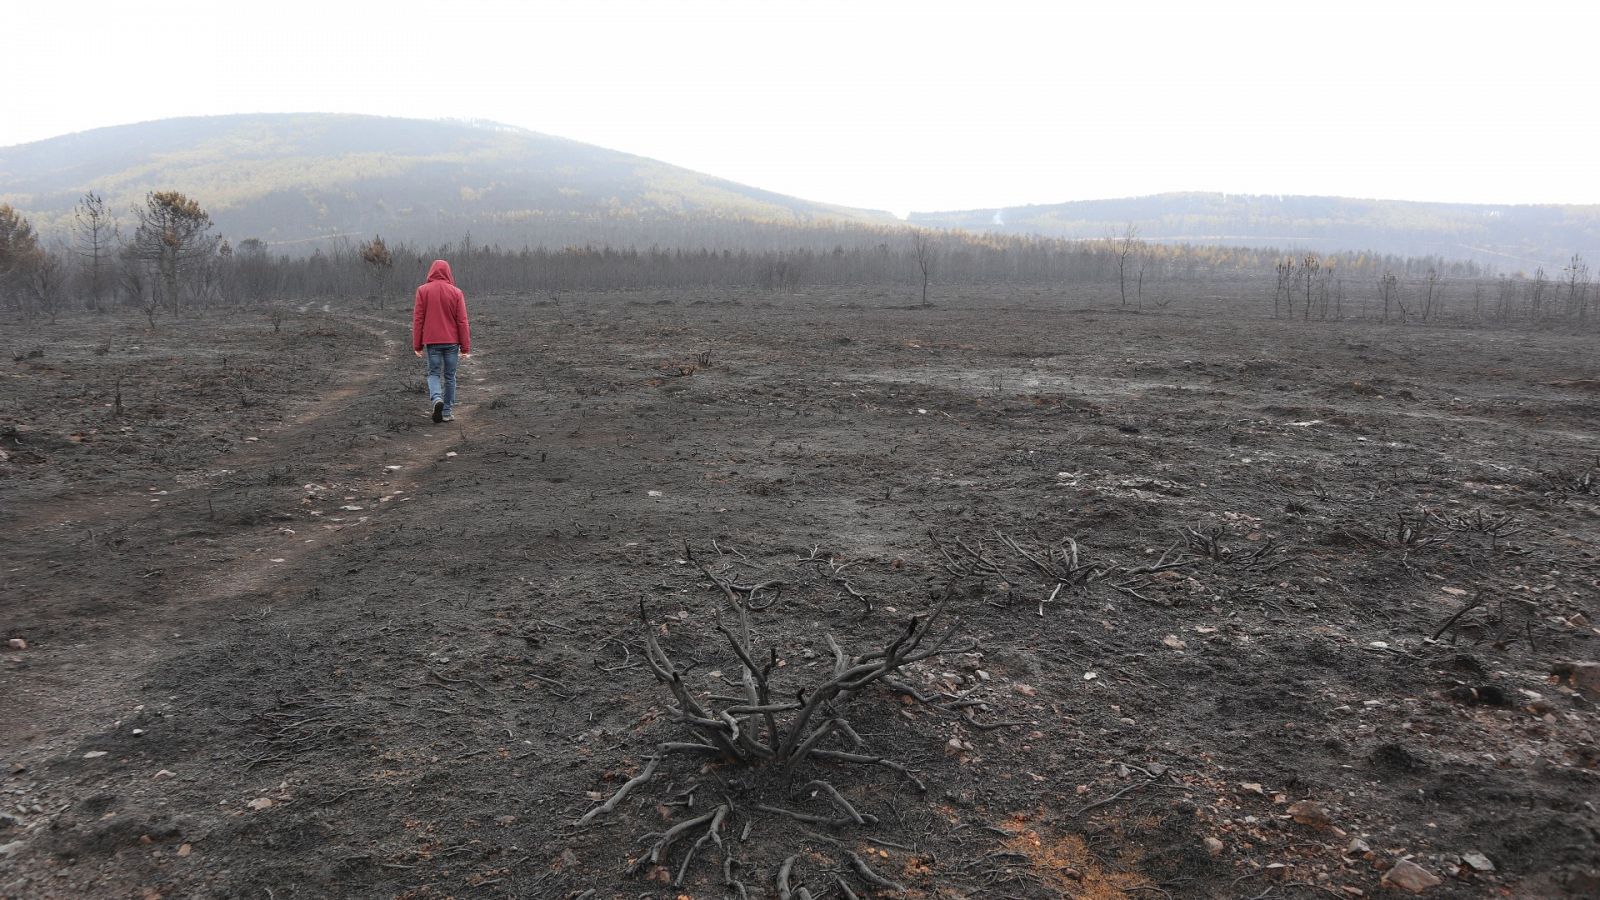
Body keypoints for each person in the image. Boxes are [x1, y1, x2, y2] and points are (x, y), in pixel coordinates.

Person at [412, 259, 472, 423]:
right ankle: (446, 412)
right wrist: (465, 348)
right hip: (452, 342)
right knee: (450, 376)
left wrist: (417, 345)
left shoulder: (422, 291)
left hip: (432, 342)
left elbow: (418, 320)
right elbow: (462, 321)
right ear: (448, 272)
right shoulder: (456, 292)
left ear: (431, 272)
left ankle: (436, 398)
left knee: (433, 373)